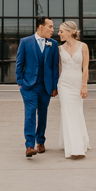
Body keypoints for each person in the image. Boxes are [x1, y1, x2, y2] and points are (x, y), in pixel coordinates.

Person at [15, 17, 59, 158]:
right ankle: (29, 145)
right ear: (41, 26)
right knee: (30, 114)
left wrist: (54, 86)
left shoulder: (53, 44)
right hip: (29, 86)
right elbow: (19, 63)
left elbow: (54, 67)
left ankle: (41, 141)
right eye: (50, 26)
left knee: (43, 115)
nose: (53, 30)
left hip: (45, 87)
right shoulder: (25, 42)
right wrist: (21, 82)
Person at [57, 21, 91, 159]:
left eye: (61, 31)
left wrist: (84, 85)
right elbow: (59, 68)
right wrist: (57, 85)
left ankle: (79, 141)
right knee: (67, 112)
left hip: (77, 84)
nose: (58, 34)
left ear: (69, 32)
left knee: (76, 112)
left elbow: (86, 67)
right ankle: (75, 148)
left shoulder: (83, 46)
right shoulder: (60, 49)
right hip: (64, 84)